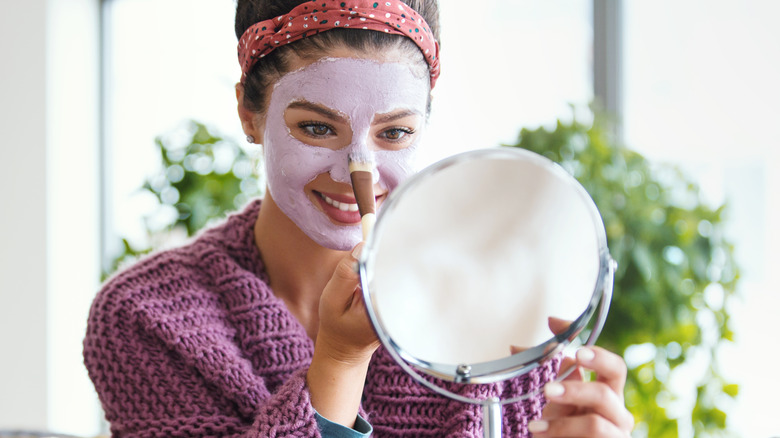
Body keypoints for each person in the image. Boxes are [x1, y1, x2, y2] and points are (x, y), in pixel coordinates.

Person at [83, 0, 635, 436]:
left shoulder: (506, 307)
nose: (360, 174)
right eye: (317, 128)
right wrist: (340, 364)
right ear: (249, 114)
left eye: (394, 133)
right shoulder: (143, 318)